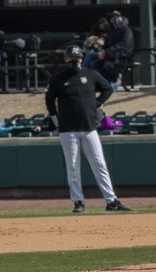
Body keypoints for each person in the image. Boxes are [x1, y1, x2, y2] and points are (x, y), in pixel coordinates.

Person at [45, 45, 130, 214]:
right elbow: (49, 102)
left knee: (99, 163)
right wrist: (56, 122)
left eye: (76, 58)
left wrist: (97, 105)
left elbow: (107, 88)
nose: (74, 61)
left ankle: (111, 201)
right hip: (68, 129)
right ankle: (78, 201)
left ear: (81, 59)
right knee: (73, 166)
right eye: (71, 58)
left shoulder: (90, 75)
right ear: (65, 59)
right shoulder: (58, 79)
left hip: (89, 127)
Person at [83, 10, 135, 85]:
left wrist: (106, 52)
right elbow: (107, 44)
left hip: (121, 56)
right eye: (112, 18)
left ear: (121, 17)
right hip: (109, 55)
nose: (114, 20)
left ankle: (114, 80)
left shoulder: (126, 30)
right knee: (93, 62)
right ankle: (84, 77)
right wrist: (99, 44)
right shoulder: (112, 32)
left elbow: (122, 45)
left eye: (116, 17)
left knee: (107, 65)